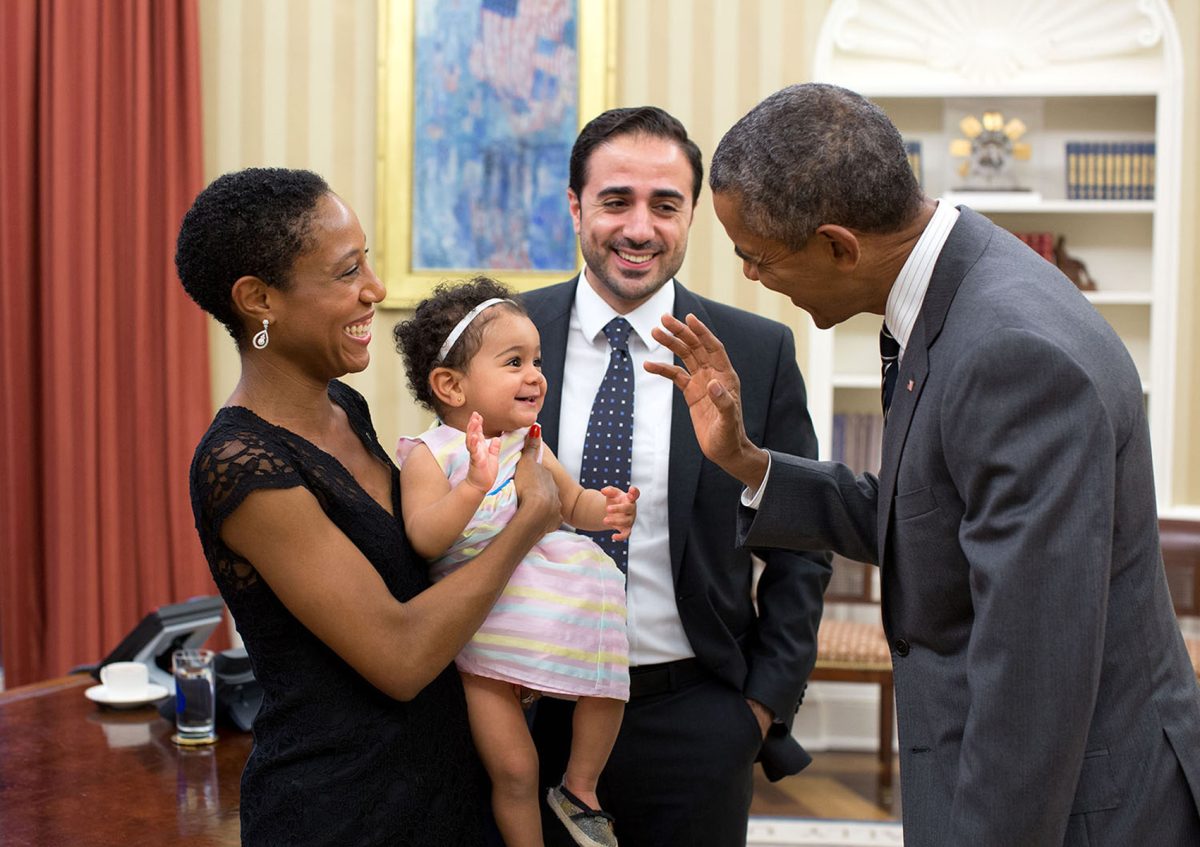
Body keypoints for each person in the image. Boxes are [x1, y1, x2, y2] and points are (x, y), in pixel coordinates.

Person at [648, 82, 1200, 847]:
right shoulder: (959, 285)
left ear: (839, 245)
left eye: (756, 257)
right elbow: (926, 516)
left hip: (1080, 808)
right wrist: (748, 462)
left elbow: (1030, 684)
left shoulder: (1009, 353)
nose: (751, 277)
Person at [176, 168, 563, 846]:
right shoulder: (241, 464)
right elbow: (401, 655)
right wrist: (528, 523)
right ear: (259, 299)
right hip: (343, 809)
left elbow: (414, 569)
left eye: (368, 261)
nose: (376, 290)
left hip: (441, 787)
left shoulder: (343, 408)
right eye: (348, 270)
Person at [523, 106, 831, 847]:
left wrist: (759, 706)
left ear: (692, 213)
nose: (640, 228)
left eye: (665, 205)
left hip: (696, 716)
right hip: (527, 712)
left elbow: (802, 542)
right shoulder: (506, 335)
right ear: (575, 207)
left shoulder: (756, 351)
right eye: (616, 201)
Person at [392, 277, 638, 847]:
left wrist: (608, 509)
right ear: (451, 385)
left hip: (549, 605)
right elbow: (425, 538)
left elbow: (571, 503)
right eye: (514, 362)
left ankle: (580, 787)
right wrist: (472, 487)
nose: (535, 375)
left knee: (609, 679)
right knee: (515, 768)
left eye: (537, 361)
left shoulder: (530, 442)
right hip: (481, 633)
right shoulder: (431, 455)